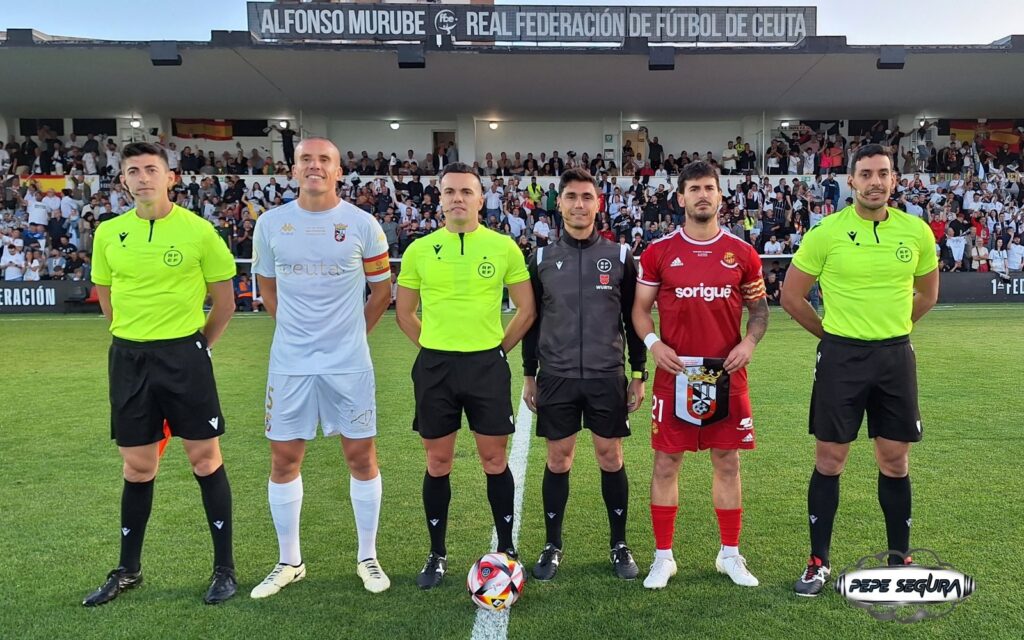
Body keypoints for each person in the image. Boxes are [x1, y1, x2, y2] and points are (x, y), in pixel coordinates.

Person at [83, 142, 238, 606]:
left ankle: (225, 569)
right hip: (129, 359)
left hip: (183, 356)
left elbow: (225, 302)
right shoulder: (108, 234)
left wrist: (194, 348)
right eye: (134, 170)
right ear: (124, 180)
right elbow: (107, 297)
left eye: (152, 169)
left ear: (171, 177)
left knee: (205, 459)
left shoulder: (199, 231)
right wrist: (134, 337)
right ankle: (128, 569)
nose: (143, 177)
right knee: (137, 465)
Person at [780, 144, 939, 597]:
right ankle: (817, 562)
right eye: (866, 173)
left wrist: (894, 329)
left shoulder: (917, 232)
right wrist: (830, 336)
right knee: (830, 460)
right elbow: (791, 297)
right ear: (850, 180)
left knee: (895, 460)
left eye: (883, 173)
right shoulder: (826, 233)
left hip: (894, 357)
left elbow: (926, 296)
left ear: (894, 180)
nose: (875, 181)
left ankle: (899, 560)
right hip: (841, 359)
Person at [249, 138, 393, 598]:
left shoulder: (362, 224)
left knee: (360, 457)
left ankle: (367, 557)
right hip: (290, 364)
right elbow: (267, 287)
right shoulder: (272, 224)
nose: (314, 166)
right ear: (294, 170)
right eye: (306, 160)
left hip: (348, 364)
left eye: (324, 160)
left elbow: (382, 292)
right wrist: (296, 332)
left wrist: (349, 337)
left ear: (338, 170)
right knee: (284, 459)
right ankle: (289, 561)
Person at [396, 162, 536, 589]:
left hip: (486, 367)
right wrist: (437, 348)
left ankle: (507, 550)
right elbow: (404, 313)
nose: (457, 198)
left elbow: (527, 310)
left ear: (481, 199)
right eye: (449, 192)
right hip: (436, 367)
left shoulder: (503, 247)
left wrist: (496, 352)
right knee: (438, 462)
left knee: (494, 460)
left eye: (466, 192)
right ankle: (437, 554)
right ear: (439, 199)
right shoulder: (420, 250)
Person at [631, 161, 769, 590]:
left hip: (726, 375)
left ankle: (729, 554)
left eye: (709, 187)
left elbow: (760, 311)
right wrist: (654, 344)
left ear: (720, 196)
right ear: (681, 198)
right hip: (675, 374)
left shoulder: (743, 253)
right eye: (694, 189)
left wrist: (748, 344)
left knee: (727, 462)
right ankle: (663, 558)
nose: (702, 195)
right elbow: (639, 310)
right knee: (666, 462)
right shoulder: (658, 253)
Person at [521, 168, 647, 582]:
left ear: (599, 203)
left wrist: (638, 373)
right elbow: (531, 322)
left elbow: (634, 319)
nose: (579, 204)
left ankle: (619, 544)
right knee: (558, 460)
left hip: (605, 375)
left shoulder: (621, 256)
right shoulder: (540, 259)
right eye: (571, 197)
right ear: (559, 203)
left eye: (586, 197)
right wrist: (528, 375)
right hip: (555, 375)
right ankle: (553, 545)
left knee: (610, 456)